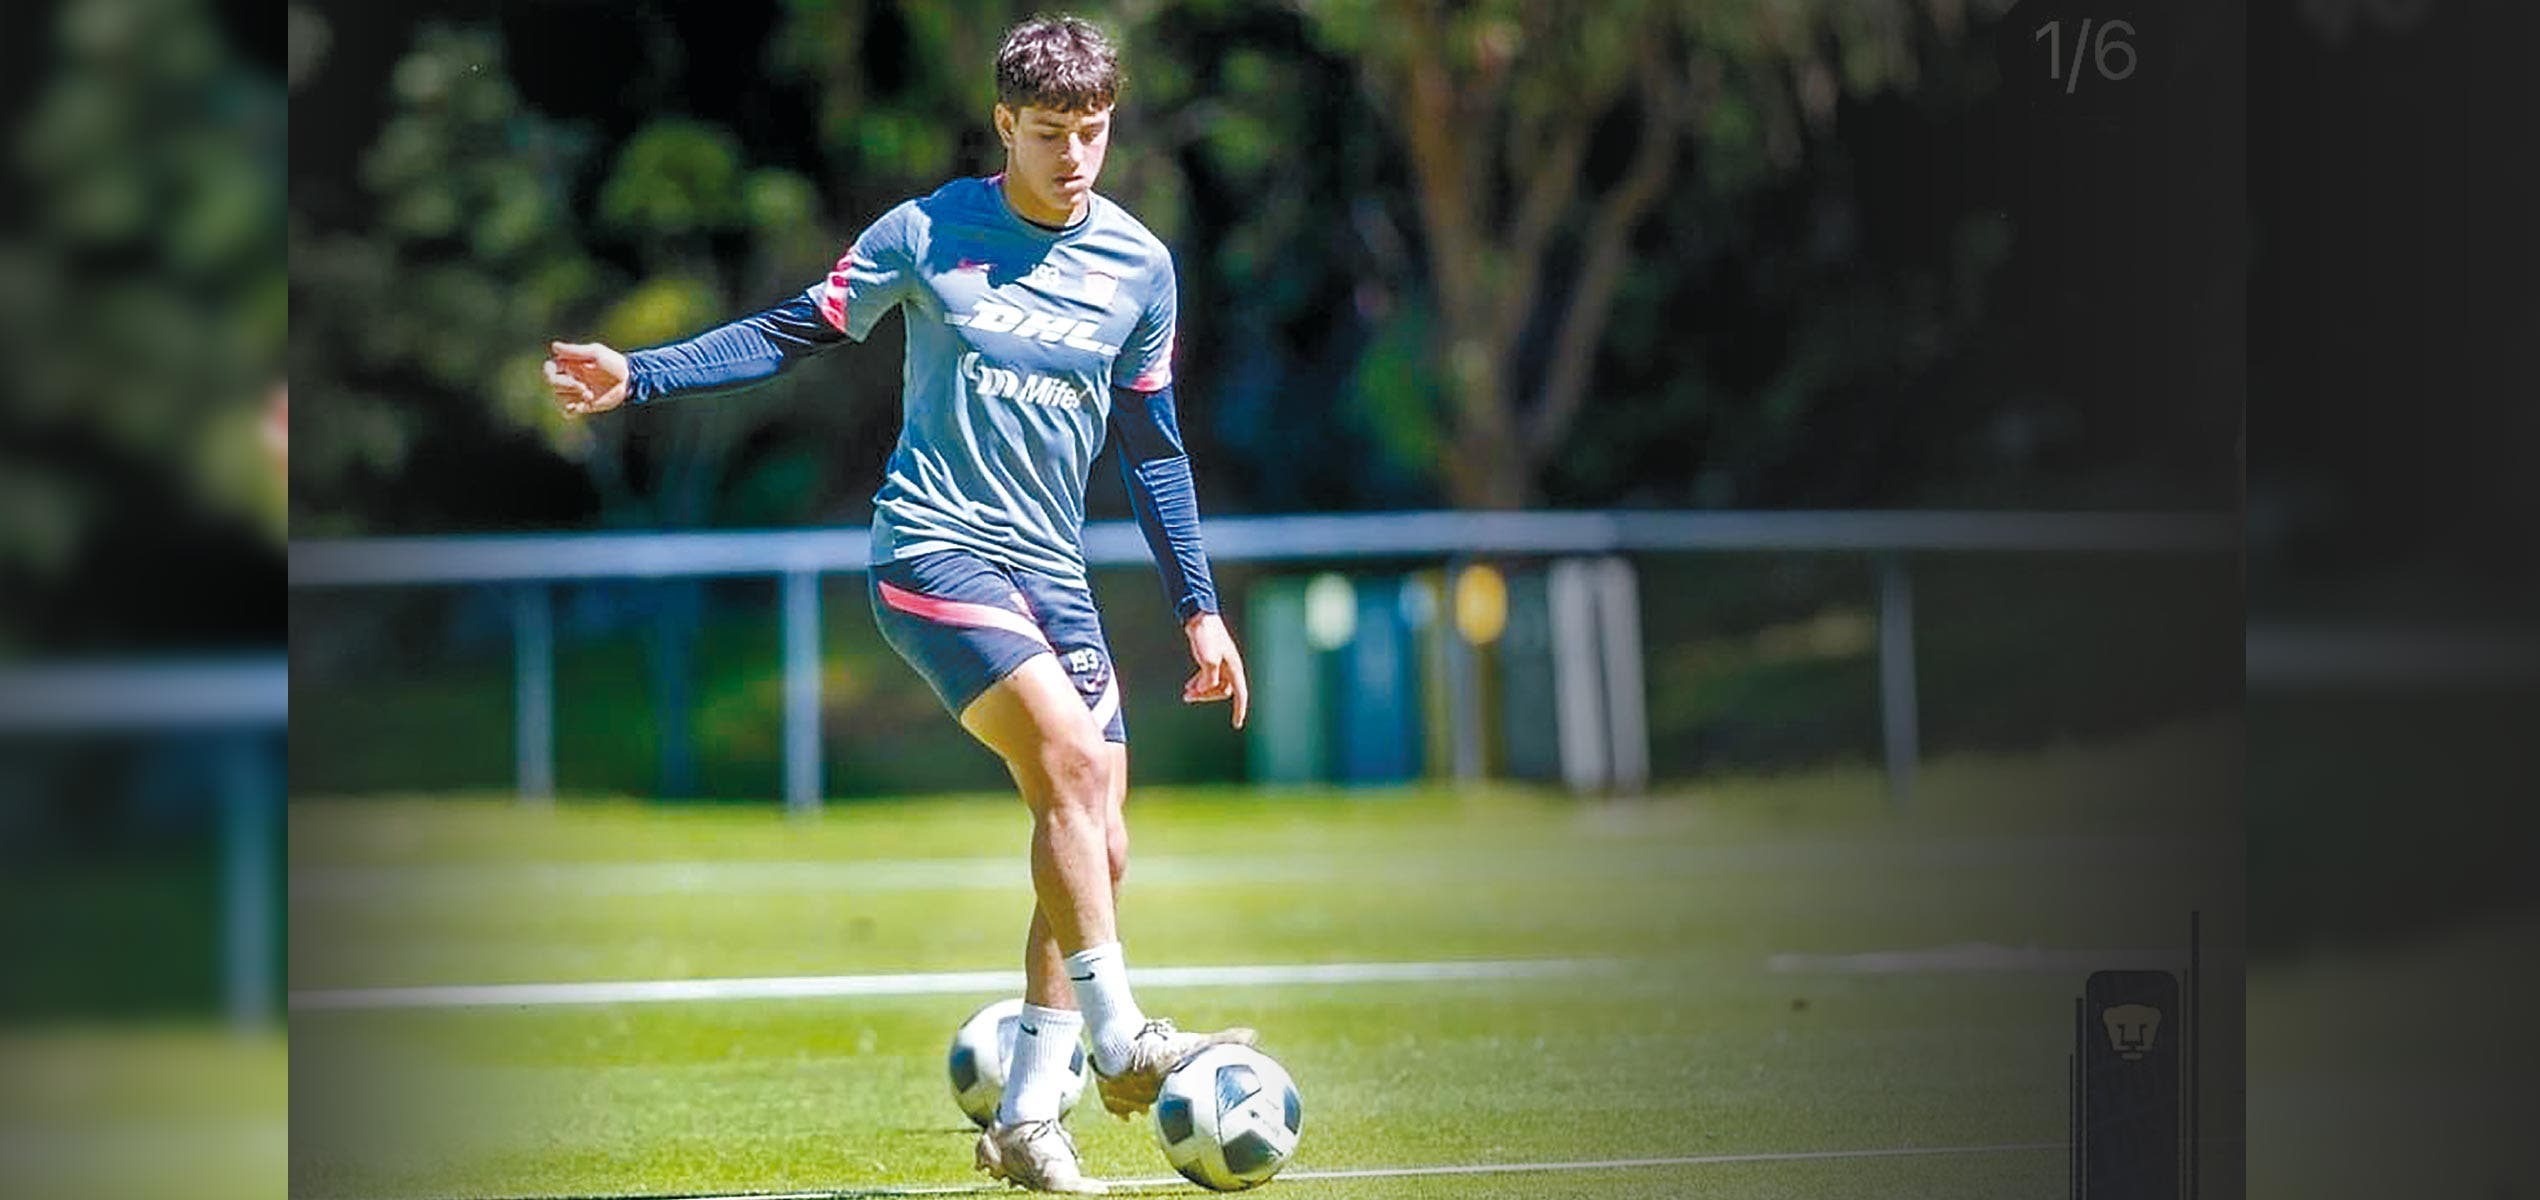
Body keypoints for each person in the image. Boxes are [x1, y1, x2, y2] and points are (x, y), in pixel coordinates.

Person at [540, 15, 1252, 1195]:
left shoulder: (1139, 266)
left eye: (1091, 130)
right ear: (1003, 126)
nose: (1074, 155)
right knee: (1074, 765)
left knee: (1094, 837)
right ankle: (1120, 1037)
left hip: (1053, 575)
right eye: (1048, 132)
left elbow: (1154, 449)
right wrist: (643, 373)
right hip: (931, 549)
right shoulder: (925, 233)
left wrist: (1199, 608)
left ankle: (1026, 1118)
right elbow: (793, 330)